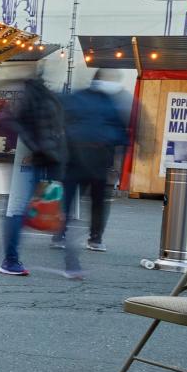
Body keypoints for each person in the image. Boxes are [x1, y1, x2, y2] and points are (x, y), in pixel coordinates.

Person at [0, 76, 75, 277]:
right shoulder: (52, 102)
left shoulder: (29, 105)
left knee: (17, 210)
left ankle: (10, 259)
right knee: (38, 208)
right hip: (50, 162)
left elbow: (20, 128)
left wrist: (32, 147)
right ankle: (71, 263)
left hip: (34, 161)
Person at [58, 69, 131, 255]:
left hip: (81, 156)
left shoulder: (81, 98)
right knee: (96, 200)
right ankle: (94, 238)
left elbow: (63, 119)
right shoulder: (109, 102)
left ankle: (62, 234)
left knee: (71, 197)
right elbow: (119, 128)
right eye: (112, 79)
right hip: (93, 156)